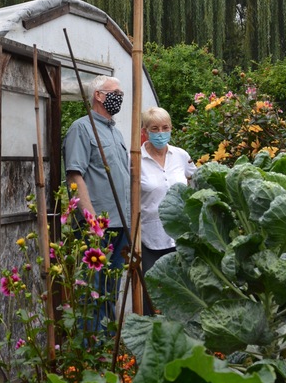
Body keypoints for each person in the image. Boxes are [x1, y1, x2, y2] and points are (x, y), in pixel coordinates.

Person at [63, 75, 130, 328]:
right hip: (97, 227)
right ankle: (91, 346)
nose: (119, 97)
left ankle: (107, 347)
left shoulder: (117, 133)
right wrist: (92, 220)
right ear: (99, 95)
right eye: (116, 92)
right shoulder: (82, 128)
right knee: (92, 291)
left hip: (120, 224)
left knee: (111, 290)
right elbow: (74, 175)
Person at [140, 106, 196, 281]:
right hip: (150, 236)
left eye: (165, 128)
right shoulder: (134, 159)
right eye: (155, 129)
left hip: (180, 235)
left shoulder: (180, 155)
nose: (161, 133)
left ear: (171, 129)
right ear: (145, 131)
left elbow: (196, 180)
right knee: (153, 288)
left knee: (183, 286)